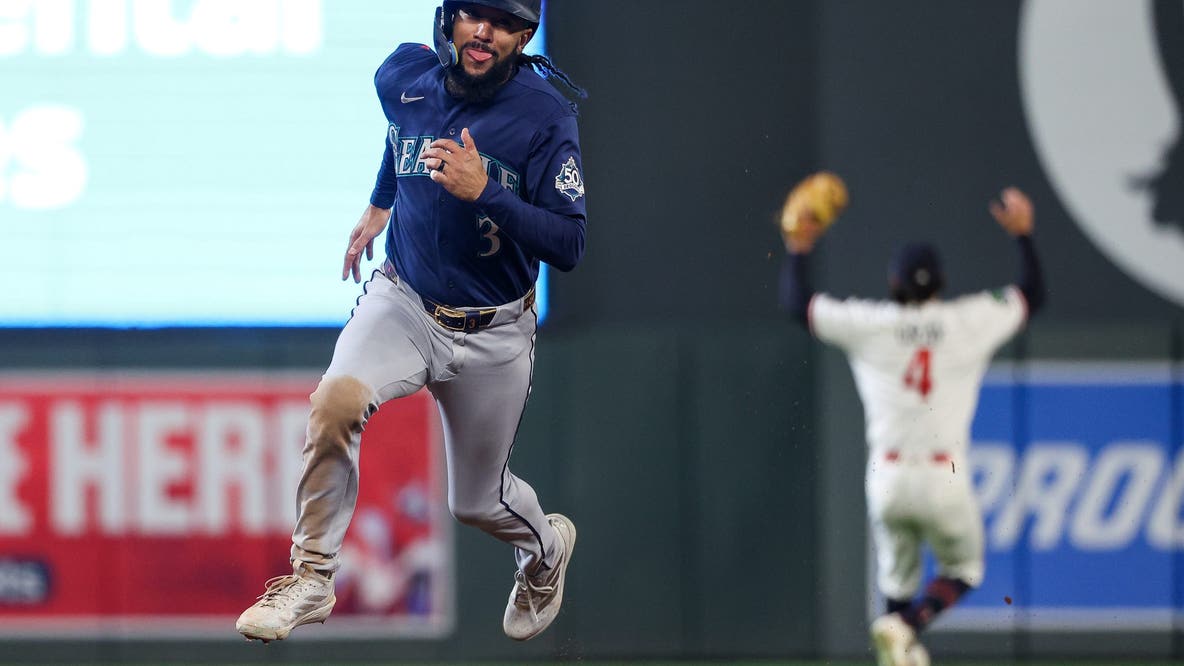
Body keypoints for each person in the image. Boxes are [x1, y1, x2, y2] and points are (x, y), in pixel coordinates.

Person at [236, 0, 587, 643]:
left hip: (494, 330)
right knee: (338, 399)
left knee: (476, 504)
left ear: (525, 35)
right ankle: (312, 576)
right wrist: (380, 201)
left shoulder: (544, 116)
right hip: (405, 300)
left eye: (505, 21)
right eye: (474, 13)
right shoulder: (402, 76)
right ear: (448, 16)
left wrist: (488, 192)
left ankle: (545, 552)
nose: (485, 31)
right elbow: (404, 129)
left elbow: (568, 245)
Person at [778, 187, 1045, 666]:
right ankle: (910, 624)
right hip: (944, 477)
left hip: (888, 478)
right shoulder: (967, 321)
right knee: (964, 569)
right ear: (940, 282)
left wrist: (799, 249)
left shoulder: (871, 324)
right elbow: (1032, 294)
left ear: (893, 282)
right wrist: (1022, 235)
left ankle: (900, 628)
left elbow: (798, 303)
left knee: (895, 587)